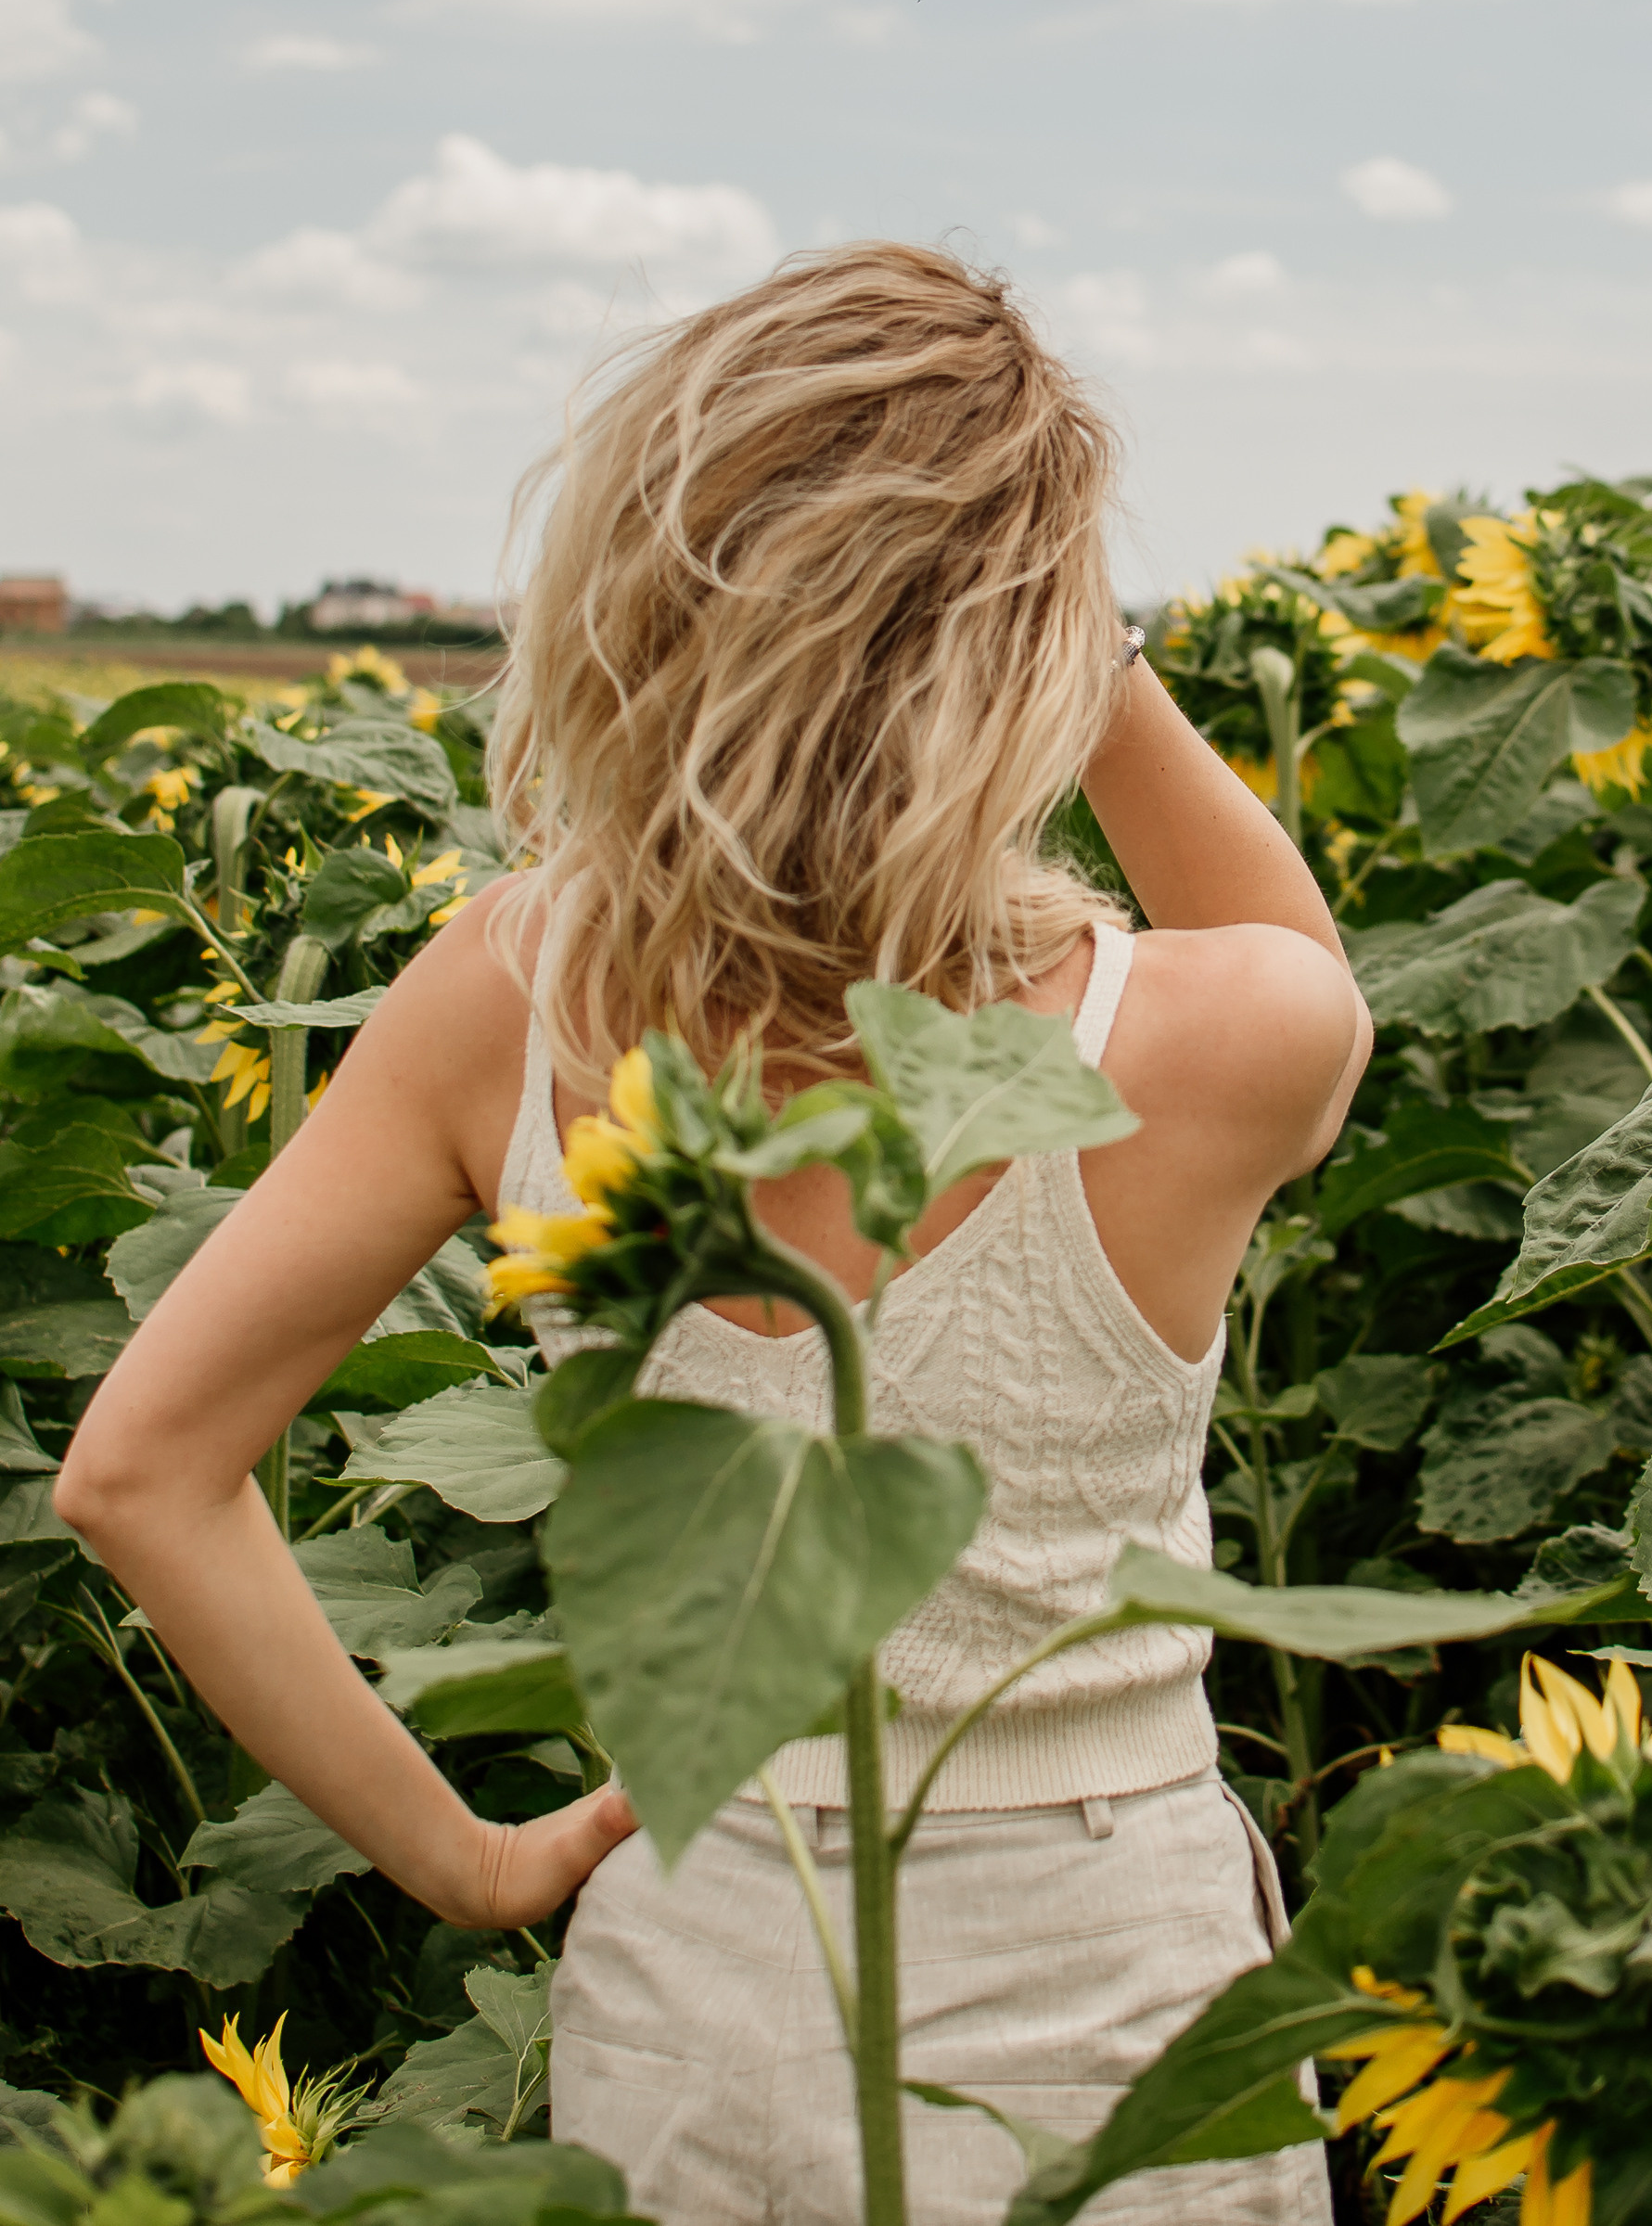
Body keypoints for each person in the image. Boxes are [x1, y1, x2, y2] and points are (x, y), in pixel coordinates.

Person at [58, 244, 1372, 2224]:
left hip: (706, 1980)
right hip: (1116, 2014)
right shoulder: (1212, 1040)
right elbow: (1291, 949)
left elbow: (141, 1473)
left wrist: (472, 1862)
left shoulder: (510, 991)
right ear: (1029, 641)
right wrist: (1095, 661)